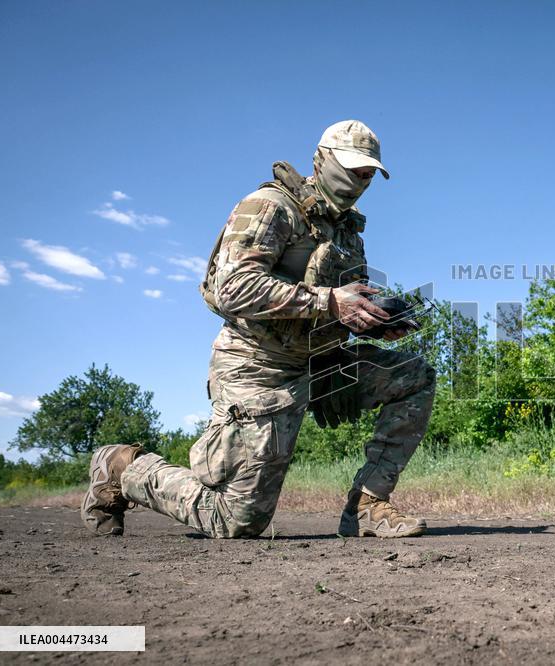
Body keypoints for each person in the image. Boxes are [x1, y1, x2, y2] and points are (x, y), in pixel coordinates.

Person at [81, 120, 436, 539]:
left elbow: (330, 305)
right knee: (236, 520)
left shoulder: (346, 231)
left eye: (369, 173)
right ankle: (125, 468)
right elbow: (232, 288)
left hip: (320, 363)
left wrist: (369, 322)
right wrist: (331, 301)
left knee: (414, 377)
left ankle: (368, 505)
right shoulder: (271, 206)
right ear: (322, 160)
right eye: (353, 167)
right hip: (257, 366)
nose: (361, 179)